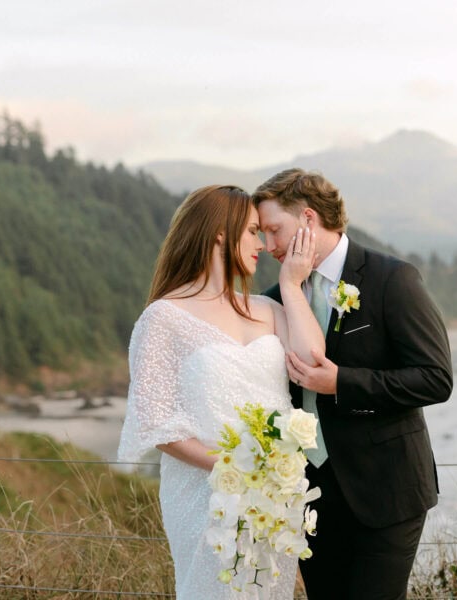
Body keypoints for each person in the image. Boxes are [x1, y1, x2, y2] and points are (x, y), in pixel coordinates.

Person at [253, 169, 453, 600]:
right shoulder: (277, 295)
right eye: (263, 234)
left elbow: (435, 378)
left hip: (386, 491)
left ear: (308, 219)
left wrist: (341, 382)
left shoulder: (391, 279)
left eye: (274, 230)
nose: (268, 246)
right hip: (309, 497)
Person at [117, 185, 324, 599]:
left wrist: (290, 284)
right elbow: (158, 423)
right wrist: (235, 468)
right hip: (204, 494)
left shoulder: (268, 310)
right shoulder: (163, 318)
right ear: (219, 233)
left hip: (274, 498)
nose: (263, 246)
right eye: (251, 232)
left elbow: (312, 358)